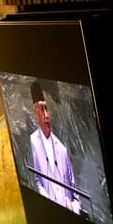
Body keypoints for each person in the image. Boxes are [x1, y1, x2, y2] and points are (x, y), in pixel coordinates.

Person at [28, 80, 78, 213]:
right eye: (42, 110)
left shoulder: (62, 149)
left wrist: (74, 208)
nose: (47, 115)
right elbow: (37, 181)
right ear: (36, 111)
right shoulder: (33, 141)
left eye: (47, 109)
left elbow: (75, 193)